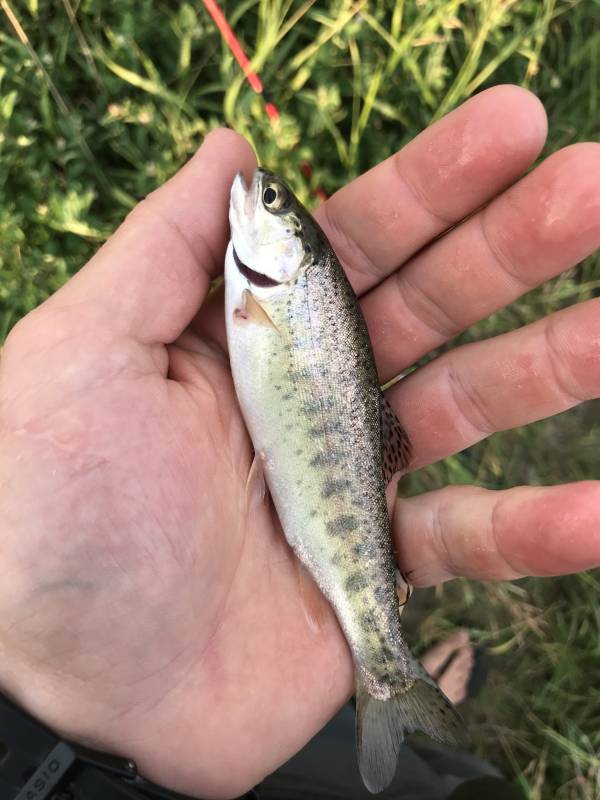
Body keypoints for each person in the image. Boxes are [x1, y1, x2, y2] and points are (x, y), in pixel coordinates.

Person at [0, 84, 598, 800]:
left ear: (292, 255)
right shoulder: (260, 288)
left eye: (275, 208)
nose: (262, 198)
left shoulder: (259, 290)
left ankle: (393, 683)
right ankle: (399, 692)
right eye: (276, 205)